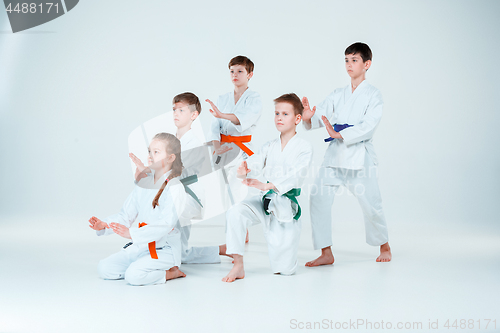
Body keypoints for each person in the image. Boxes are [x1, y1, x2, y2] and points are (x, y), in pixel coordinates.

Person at [301, 42, 391, 266]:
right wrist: (307, 116)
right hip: (335, 156)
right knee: (318, 198)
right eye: (346, 60)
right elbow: (319, 114)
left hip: (359, 155)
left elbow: (369, 125)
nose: (349, 65)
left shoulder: (373, 95)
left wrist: (341, 134)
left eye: (354, 60)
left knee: (371, 203)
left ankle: (384, 244)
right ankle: (326, 252)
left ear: (366, 64)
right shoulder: (337, 94)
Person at [222, 93, 313, 282]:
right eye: (277, 113)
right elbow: (255, 161)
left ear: (297, 119)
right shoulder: (270, 145)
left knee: (285, 270)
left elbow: (296, 175)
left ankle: (286, 259)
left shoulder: (304, 147)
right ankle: (238, 265)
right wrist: (244, 169)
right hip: (265, 202)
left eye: (285, 114)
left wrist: (267, 185)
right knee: (236, 211)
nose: (279, 117)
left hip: (284, 208)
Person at [89, 133, 187, 286]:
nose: (150, 156)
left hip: (164, 249)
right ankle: (142, 266)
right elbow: (126, 215)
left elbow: (166, 224)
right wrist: (105, 225)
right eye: (149, 151)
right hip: (141, 245)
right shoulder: (144, 184)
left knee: (133, 276)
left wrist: (132, 234)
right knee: (105, 268)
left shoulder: (175, 187)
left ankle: (171, 272)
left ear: (170, 158)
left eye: (156, 152)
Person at [205, 56, 263, 229]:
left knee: (237, 190)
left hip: (242, 150)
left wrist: (222, 115)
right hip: (222, 150)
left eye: (240, 71)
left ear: (250, 74)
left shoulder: (254, 98)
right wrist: (216, 148)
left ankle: (240, 230)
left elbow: (242, 120)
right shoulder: (223, 98)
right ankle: (234, 230)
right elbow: (215, 126)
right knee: (224, 193)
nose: (235, 75)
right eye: (232, 71)